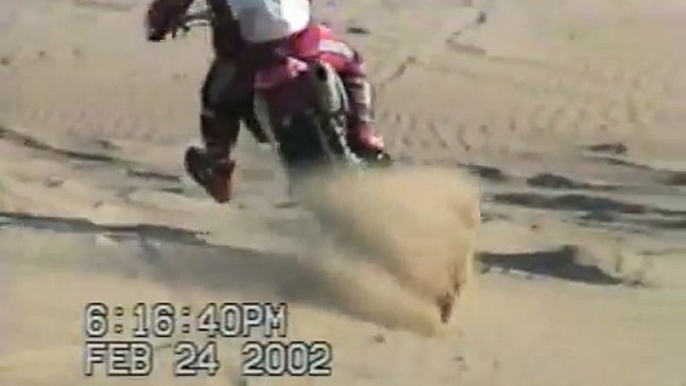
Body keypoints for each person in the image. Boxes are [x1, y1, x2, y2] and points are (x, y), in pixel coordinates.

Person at [145, 0, 387, 203]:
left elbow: (163, 14)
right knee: (351, 61)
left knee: (216, 99)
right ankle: (365, 133)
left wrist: (159, 24)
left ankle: (218, 165)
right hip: (304, 42)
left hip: (248, 57)